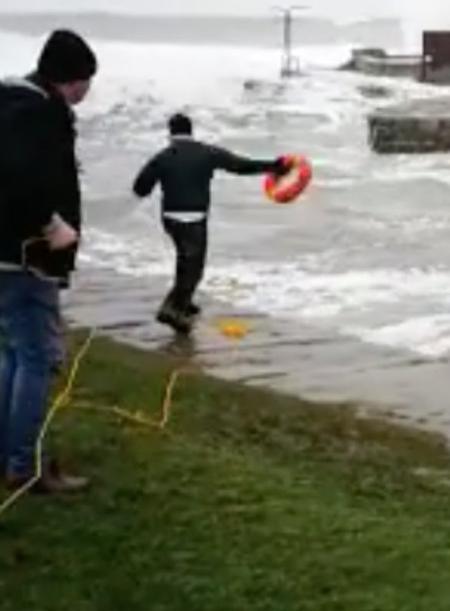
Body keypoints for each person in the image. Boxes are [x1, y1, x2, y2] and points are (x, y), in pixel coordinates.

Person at [0, 29, 97, 493]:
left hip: (6, 256)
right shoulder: (38, 112)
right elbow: (20, 176)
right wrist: (50, 224)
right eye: (86, 81)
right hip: (26, 258)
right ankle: (23, 466)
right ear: (70, 80)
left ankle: (10, 455)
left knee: (15, 354)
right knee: (37, 357)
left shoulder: (10, 102)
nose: (87, 92)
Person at [132, 114, 288, 335]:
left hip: (170, 219)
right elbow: (240, 165)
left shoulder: (162, 157)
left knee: (185, 259)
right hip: (194, 218)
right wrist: (273, 166)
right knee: (194, 268)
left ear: (170, 133)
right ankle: (172, 309)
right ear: (191, 131)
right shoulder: (207, 152)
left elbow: (140, 188)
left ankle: (182, 302)